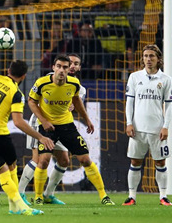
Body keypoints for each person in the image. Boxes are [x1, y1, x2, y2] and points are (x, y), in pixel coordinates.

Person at [28, 54, 115, 206]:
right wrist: (44, 121)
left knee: (85, 159)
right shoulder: (41, 83)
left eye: (65, 67)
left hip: (67, 126)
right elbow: (32, 101)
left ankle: (104, 196)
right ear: (53, 68)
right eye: (59, 66)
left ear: (69, 70)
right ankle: (38, 197)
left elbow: (76, 100)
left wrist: (87, 119)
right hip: (48, 128)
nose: (62, 70)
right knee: (43, 161)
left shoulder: (74, 84)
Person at [0, 60, 52, 215]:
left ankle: (13, 208)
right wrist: (40, 137)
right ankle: (23, 207)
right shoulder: (16, 94)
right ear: (24, 76)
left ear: (8, 70)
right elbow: (18, 122)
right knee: (7, 170)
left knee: (10, 167)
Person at [19, 53, 85, 206]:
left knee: (64, 160)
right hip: (40, 123)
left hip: (60, 126)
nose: (72, 66)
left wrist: (73, 108)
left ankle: (49, 194)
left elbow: (74, 106)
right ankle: (19, 193)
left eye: (76, 63)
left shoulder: (78, 87)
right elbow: (35, 99)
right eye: (71, 63)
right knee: (40, 159)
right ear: (56, 67)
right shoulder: (51, 78)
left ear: (78, 68)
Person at [123, 45, 172, 206]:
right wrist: (129, 123)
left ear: (158, 59)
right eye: (145, 56)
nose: (148, 59)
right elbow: (129, 103)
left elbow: (169, 105)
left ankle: (163, 196)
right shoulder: (134, 77)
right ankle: (132, 196)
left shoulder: (165, 79)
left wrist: (166, 126)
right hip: (137, 130)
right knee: (135, 162)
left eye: (151, 56)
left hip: (157, 129)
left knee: (160, 163)